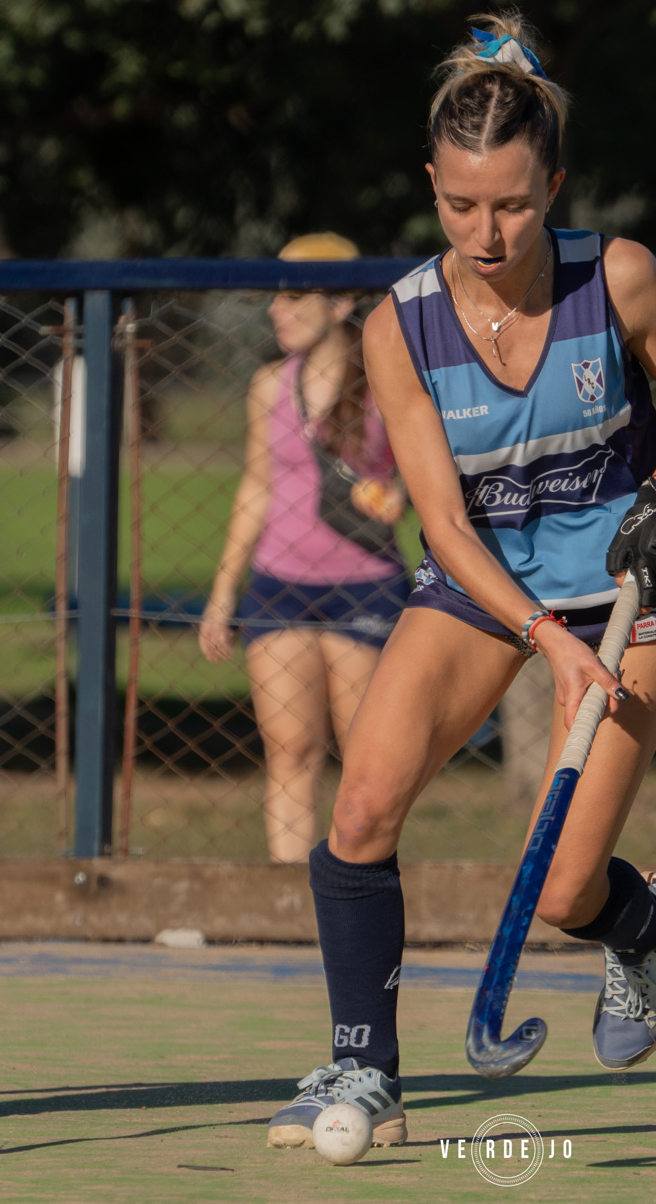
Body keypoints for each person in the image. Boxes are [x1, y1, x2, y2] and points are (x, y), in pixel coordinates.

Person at [266, 15, 656, 1150]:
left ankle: (640, 925)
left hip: (621, 596)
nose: (486, 231)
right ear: (433, 184)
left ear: (553, 182)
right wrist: (540, 635)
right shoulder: (398, 328)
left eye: (513, 205)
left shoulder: (618, 279)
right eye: (460, 205)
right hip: (484, 581)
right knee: (361, 806)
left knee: (563, 891)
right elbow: (442, 522)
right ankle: (363, 1071)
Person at [198, 233, 409, 863]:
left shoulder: (387, 384)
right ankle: (288, 906)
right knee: (289, 752)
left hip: (365, 587)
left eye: (295, 296)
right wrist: (221, 594)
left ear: (341, 301)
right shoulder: (268, 385)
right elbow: (256, 487)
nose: (276, 309)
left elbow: (425, 476)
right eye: (276, 295)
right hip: (279, 586)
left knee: (364, 762)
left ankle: (353, 897)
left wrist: (395, 494)